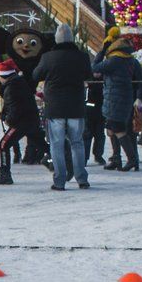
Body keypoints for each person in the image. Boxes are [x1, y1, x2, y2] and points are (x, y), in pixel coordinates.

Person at [32, 23, 91, 190]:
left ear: (57, 40)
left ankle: (59, 180)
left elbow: (36, 75)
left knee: (56, 145)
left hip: (55, 107)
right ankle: (81, 178)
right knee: (77, 143)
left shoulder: (48, 57)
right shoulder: (82, 57)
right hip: (76, 106)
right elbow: (89, 74)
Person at [92, 28, 142, 172]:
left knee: (117, 128)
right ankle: (116, 158)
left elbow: (95, 67)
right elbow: (140, 80)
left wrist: (102, 51)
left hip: (116, 99)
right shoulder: (132, 60)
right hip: (124, 98)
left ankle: (131, 159)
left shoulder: (114, 60)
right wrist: (139, 97)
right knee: (111, 128)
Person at [0, 59, 42, 185]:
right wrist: (4, 113)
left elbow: (15, 108)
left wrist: (8, 120)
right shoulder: (18, 83)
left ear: (4, 76)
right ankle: (57, 163)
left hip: (21, 122)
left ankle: (5, 173)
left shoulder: (11, 88)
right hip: (30, 120)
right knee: (41, 144)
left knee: (3, 144)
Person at [84, 72, 106, 165]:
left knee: (100, 135)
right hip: (88, 110)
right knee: (87, 135)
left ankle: (98, 155)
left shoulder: (104, 80)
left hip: (100, 110)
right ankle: (84, 157)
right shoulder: (87, 80)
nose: (97, 74)